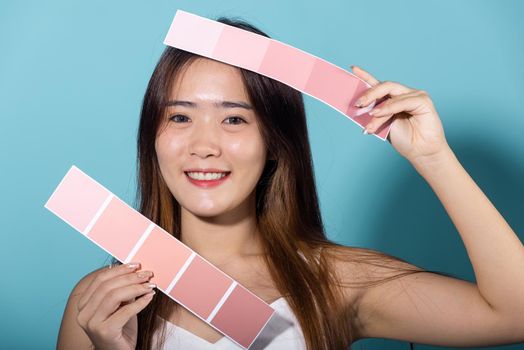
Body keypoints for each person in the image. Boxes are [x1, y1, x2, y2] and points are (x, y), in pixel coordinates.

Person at [56, 18, 524, 350]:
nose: (204, 145)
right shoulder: (101, 301)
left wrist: (433, 157)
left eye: (235, 119)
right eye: (179, 116)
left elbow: (514, 314)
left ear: (275, 143)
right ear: (151, 138)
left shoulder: (334, 281)